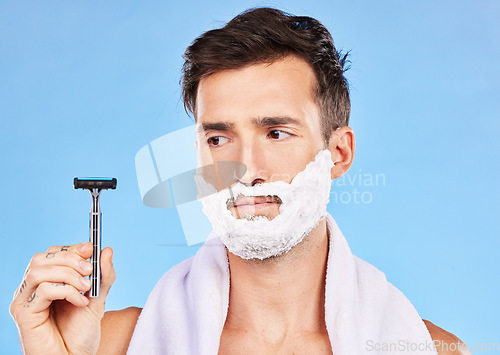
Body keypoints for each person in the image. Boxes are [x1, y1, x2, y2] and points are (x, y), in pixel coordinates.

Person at [10, 7, 469, 355]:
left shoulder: (427, 349)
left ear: (340, 153)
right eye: (218, 138)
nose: (245, 169)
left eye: (276, 132)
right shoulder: (109, 346)